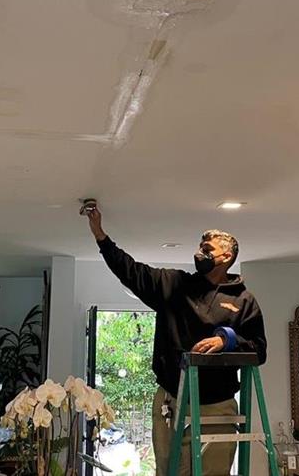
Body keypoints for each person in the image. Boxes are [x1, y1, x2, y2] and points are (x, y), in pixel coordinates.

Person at [84, 203, 267, 476]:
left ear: (227, 256)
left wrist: (226, 340)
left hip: (216, 405)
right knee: (168, 472)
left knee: (212, 473)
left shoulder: (243, 300)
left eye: (207, 250)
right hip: (171, 400)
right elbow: (130, 270)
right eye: (200, 247)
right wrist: (100, 234)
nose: (199, 253)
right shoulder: (173, 285)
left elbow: (259, 349)